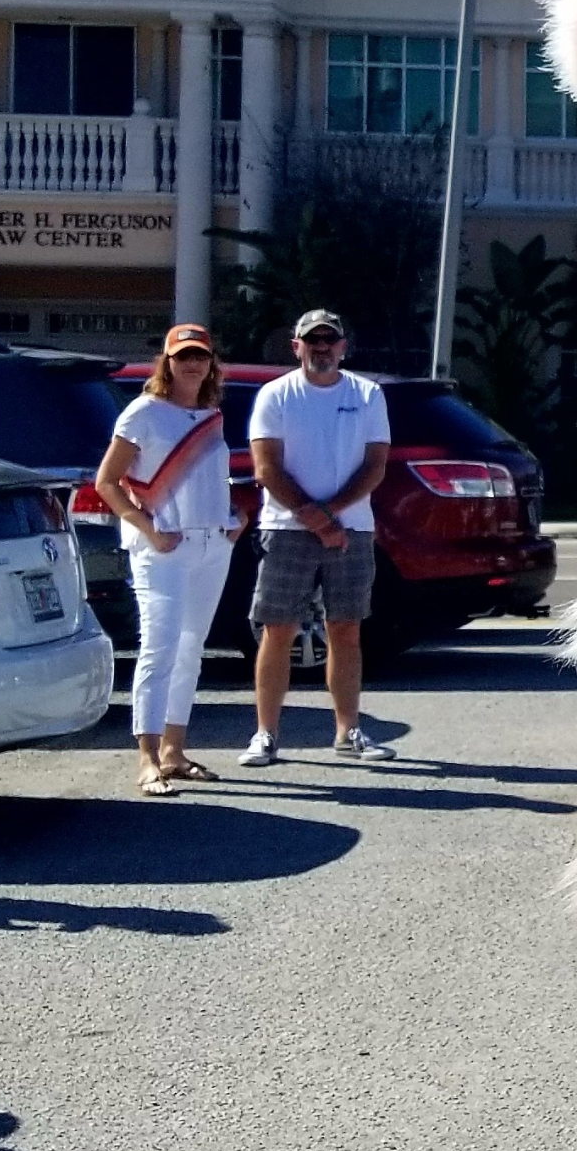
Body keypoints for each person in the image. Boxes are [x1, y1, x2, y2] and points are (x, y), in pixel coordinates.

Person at [239, 308, 396, 767]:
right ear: (297, 346)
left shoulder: (367, 395)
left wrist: (332, 516)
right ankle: (266, 734)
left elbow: (375, 465)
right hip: (286, 529)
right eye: (312, 340)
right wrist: (315, 519)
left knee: (345, 628)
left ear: (343, 347)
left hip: (353, 527)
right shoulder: (275, 395)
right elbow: (266, 468)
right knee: (278, 630)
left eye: (330, 340)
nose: (321, 348)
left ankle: (349, 731)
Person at [94, 324, 243, 795]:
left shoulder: (211, 415)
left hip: (211, 544)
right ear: (167, 363)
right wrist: (147, 528)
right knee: (158, 649)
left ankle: (175, 753)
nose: (192, 364)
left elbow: (211, 482)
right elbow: (107, 482)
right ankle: (147, 759)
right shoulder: (144, 413)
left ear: (211, 363)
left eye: (200, 356)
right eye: (183, 357)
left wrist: (232, 515)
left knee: (190, 649)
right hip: (163, 548)